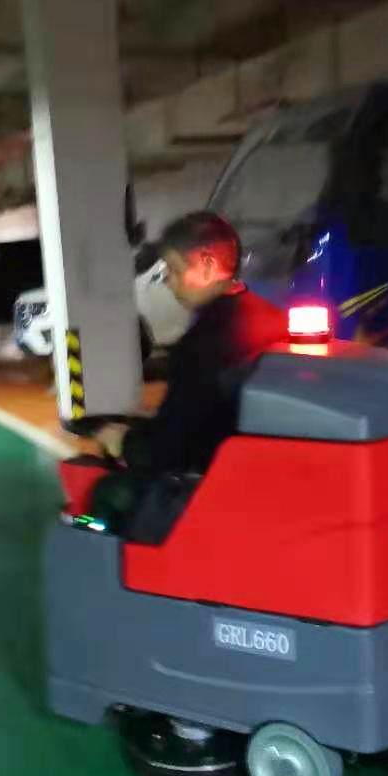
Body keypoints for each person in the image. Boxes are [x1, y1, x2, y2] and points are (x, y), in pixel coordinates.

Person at [92, 211, 287, 534]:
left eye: (173, 269)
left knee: (106, 495)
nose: (168, 281)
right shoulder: (271, 317)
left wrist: (123, 442)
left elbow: (170, 450)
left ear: (207, 267)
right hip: (262, 475)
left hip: (209, 488)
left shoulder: (202, 344)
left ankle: (106, 547)